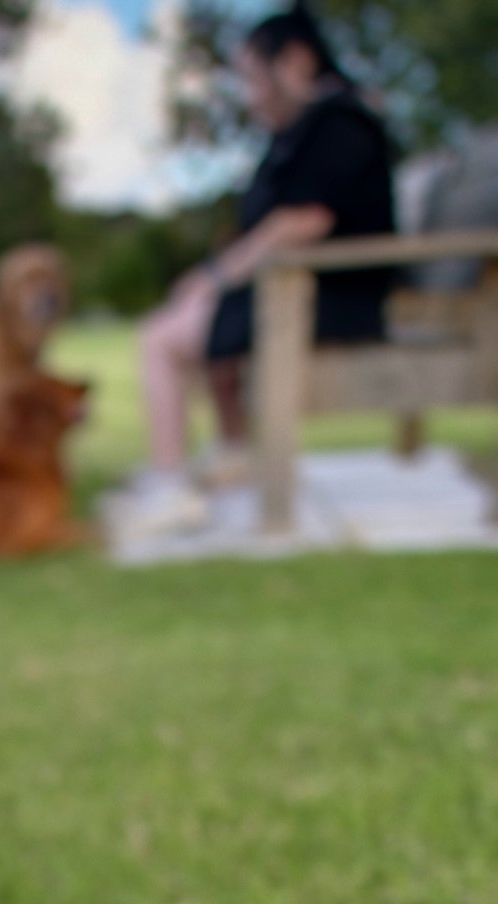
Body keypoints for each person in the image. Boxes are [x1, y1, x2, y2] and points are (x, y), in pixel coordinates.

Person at [129, 4, 395, 536]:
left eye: (254, 78)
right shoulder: (304, 132)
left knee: (161, 338)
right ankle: (234, 454)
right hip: (300, 291)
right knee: (204, 318)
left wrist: (216, 276)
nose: (251, 96)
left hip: (334, 300)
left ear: (295, 61)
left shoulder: (338, 123)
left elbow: (305, 220)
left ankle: (170, 486)